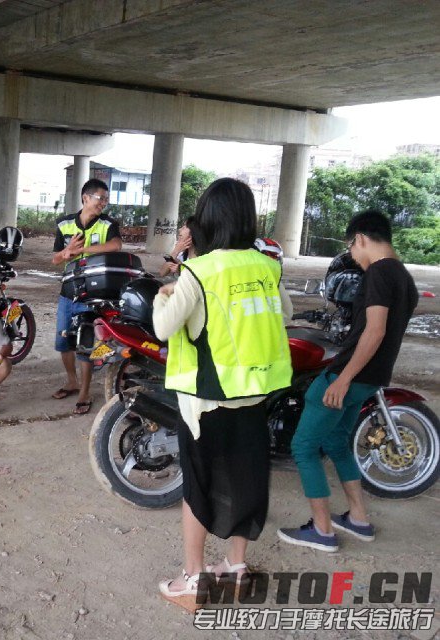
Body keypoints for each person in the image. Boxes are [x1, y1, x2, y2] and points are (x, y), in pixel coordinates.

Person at [152, 178, 293, 612]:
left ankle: (193, 580)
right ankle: (235, 570)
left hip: (207, 399)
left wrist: (164, 295)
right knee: (245, 479)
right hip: (254, 394)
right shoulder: (267, 266)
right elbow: (283, 314)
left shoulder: (200, 271)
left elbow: (162, 328)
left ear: (209, 220)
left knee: (200, 486)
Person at [278, 210, 418, 552]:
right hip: (373, 378)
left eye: (351, 247)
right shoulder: (404, 277)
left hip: (351, 376)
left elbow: (375, 330)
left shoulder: (379, 274)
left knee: (304, 447)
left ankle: (322, 530)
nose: (353, 255)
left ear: (361, 240)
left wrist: (343, 379)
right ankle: (357, 517)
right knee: (338, 443)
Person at [50, 178, 122, 415]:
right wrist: (67, 251)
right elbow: (55, 259)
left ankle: (85, 391)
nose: (104, 202)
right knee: (64, 342)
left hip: (91, 293)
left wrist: (82, 250)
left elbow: (115, 246)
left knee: (85, 342)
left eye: (106, 199)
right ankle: (72, 381)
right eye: (101, 198)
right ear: (86, 198)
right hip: (67, 291)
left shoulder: (107, 224)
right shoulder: (64, 224)